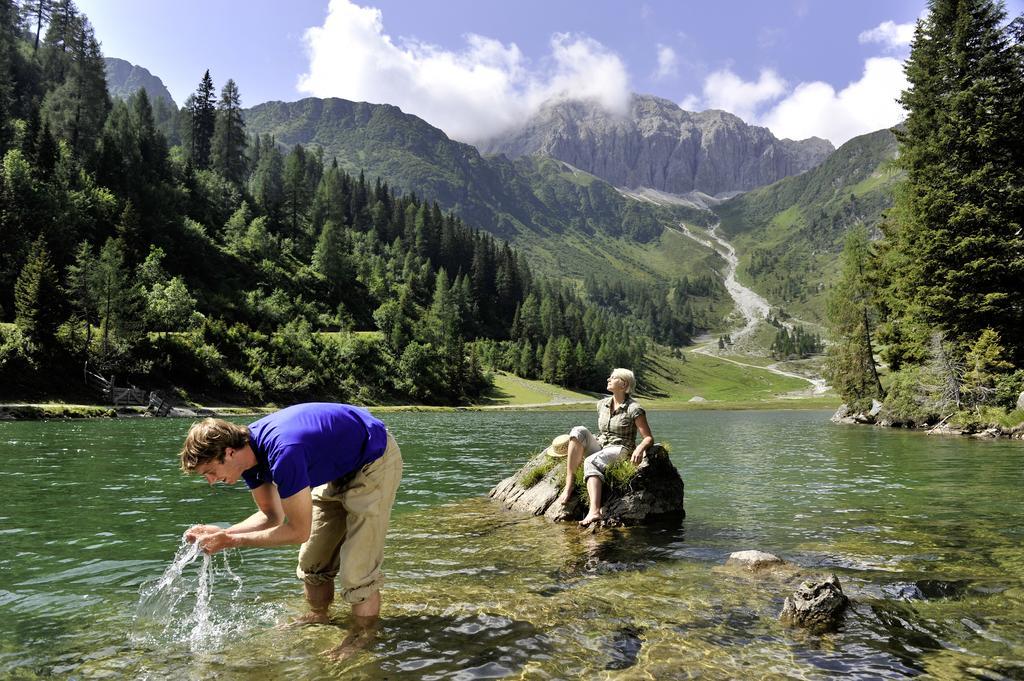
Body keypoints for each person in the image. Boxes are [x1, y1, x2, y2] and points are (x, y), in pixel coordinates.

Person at [179, 402, 403, 659]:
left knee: (356, 571)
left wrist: (229, 540)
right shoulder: (248, 458)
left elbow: (298, 531)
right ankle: (319, 616)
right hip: (338, 465)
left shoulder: (284, 453)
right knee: (312, 561)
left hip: (373, 459)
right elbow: (271, 516)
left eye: (209, 471)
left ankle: (364, 636)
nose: (210, 481)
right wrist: (221, 533)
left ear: (229, 452)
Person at [556, 368, 653, 526]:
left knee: (590, 461)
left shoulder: (634, 409)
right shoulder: (602, 404)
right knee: (577, 431)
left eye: (613, 377)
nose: (608, 379)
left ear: (623, 384)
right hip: (602, 445)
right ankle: (569, 484)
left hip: (621, 449)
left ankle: (594, 511)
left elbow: (648, 437)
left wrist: (639, 448)